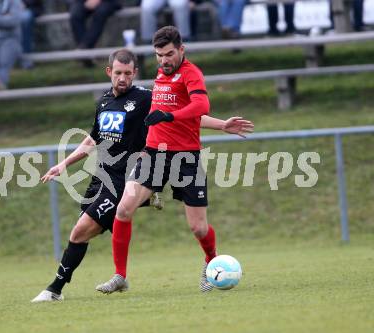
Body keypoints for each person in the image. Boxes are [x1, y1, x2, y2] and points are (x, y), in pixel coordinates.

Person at [31, 48, 253, 302]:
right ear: (109, 72)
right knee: (81, 233)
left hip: (125, 178)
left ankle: (55, 289)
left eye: (127, 73)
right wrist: (64, 164)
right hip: (102, 177)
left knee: (80, 231)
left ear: (135, 73)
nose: (122, 78)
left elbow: (187, 116)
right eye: (118, 73)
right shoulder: (104, 102)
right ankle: (69, 285)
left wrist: (222, 124)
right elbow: (93, 139)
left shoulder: (146, 98)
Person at [95, 26, 253, 294]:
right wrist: (219, 125)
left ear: (181, 50)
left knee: (198, 227)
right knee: (123, 210)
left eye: (169, 54)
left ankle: (209, 261)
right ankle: (120, 275)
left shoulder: (191, 73)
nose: (164, 60)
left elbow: (200, 107)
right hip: (154, 154)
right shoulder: (161, 73)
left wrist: (171, 117)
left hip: (185, 158)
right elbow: (180, 110)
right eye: (159, 55)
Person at [19, 0, 43, 69]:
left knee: (25, 18)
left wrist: (24, 4)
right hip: (12, 9)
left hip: (31, 8)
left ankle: (26, 59)